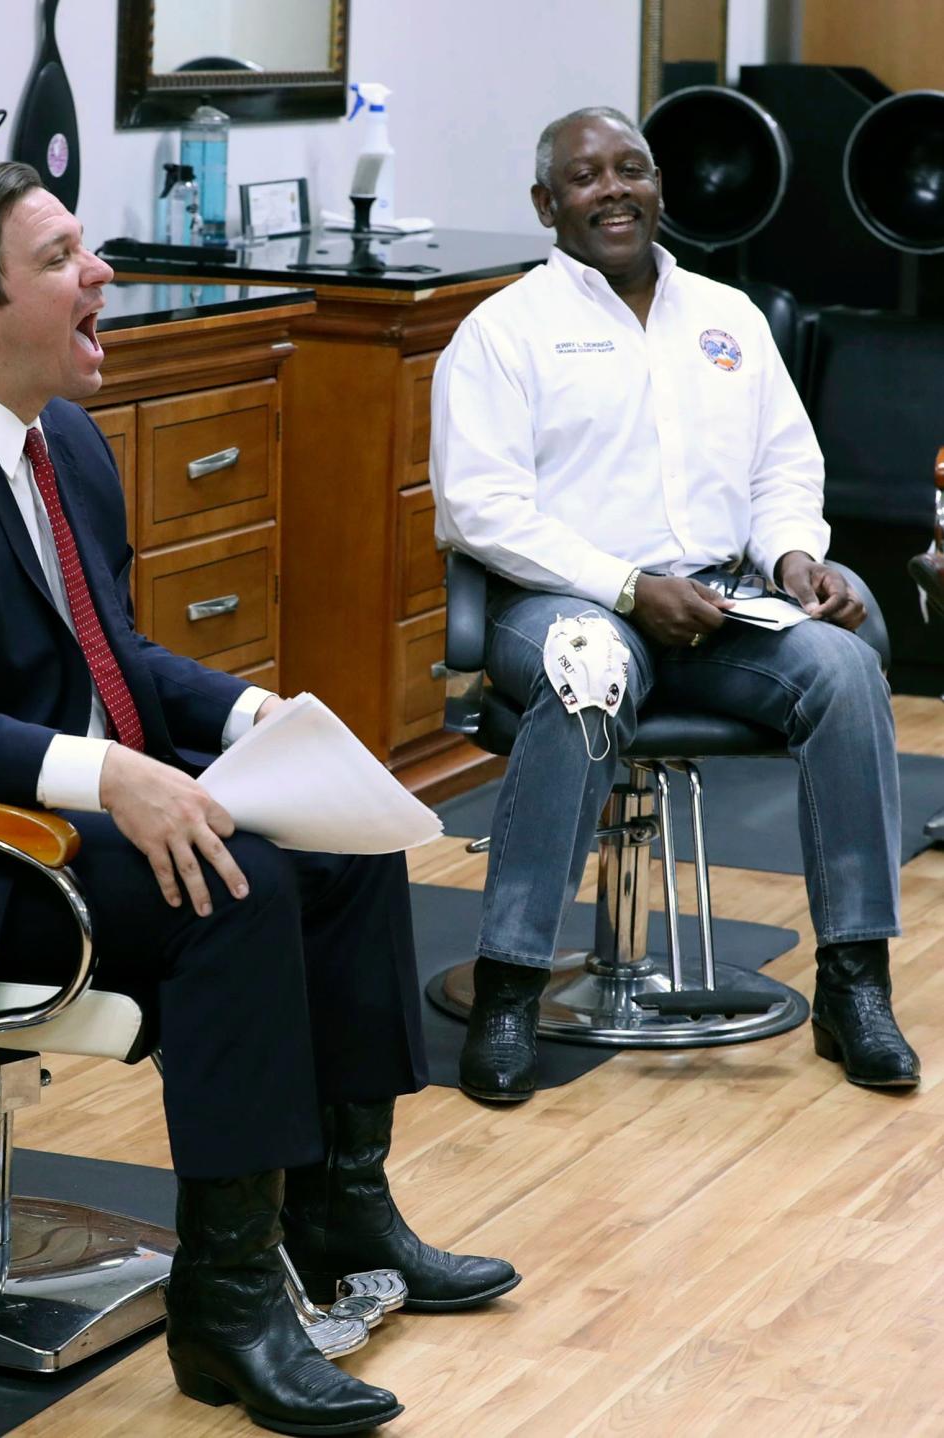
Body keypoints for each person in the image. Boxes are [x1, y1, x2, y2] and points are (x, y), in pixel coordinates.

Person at [0, 163, 518, 1435]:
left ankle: (342, 1211)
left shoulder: (60, 438)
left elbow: (108, 653)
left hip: (58, 818)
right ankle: (228, 1303)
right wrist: (118, 775)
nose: (99, 270)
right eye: (60, 258)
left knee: (343, 839)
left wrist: (240, 714)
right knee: (239, 883)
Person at [430, 107, 919, 1105]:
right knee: (588, 669)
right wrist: (625, 588)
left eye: (631, 170)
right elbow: (480, 508)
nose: (613, 189)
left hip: (727, 598)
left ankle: (854, 981)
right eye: (584, 177)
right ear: (545, 204)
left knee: (845, 669)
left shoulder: (729, 319)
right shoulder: (502, 332)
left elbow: (786, 465)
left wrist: (795, 556)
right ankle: (513, 987)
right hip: (572, 600)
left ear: (659, 186)